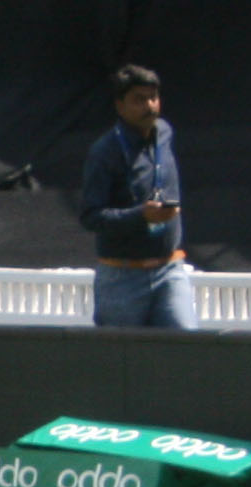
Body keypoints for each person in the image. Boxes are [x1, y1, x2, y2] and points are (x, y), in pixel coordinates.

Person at [80, 64, 193, 329]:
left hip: (170, 268)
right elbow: (90, 216)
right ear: (120, 106)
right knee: (122, 359)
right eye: (139, 100)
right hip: (122, 275)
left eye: (153, 97)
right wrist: (140, 215)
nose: (150, 106)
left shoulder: (164, 132)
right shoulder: (104, 152)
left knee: (187, 351)